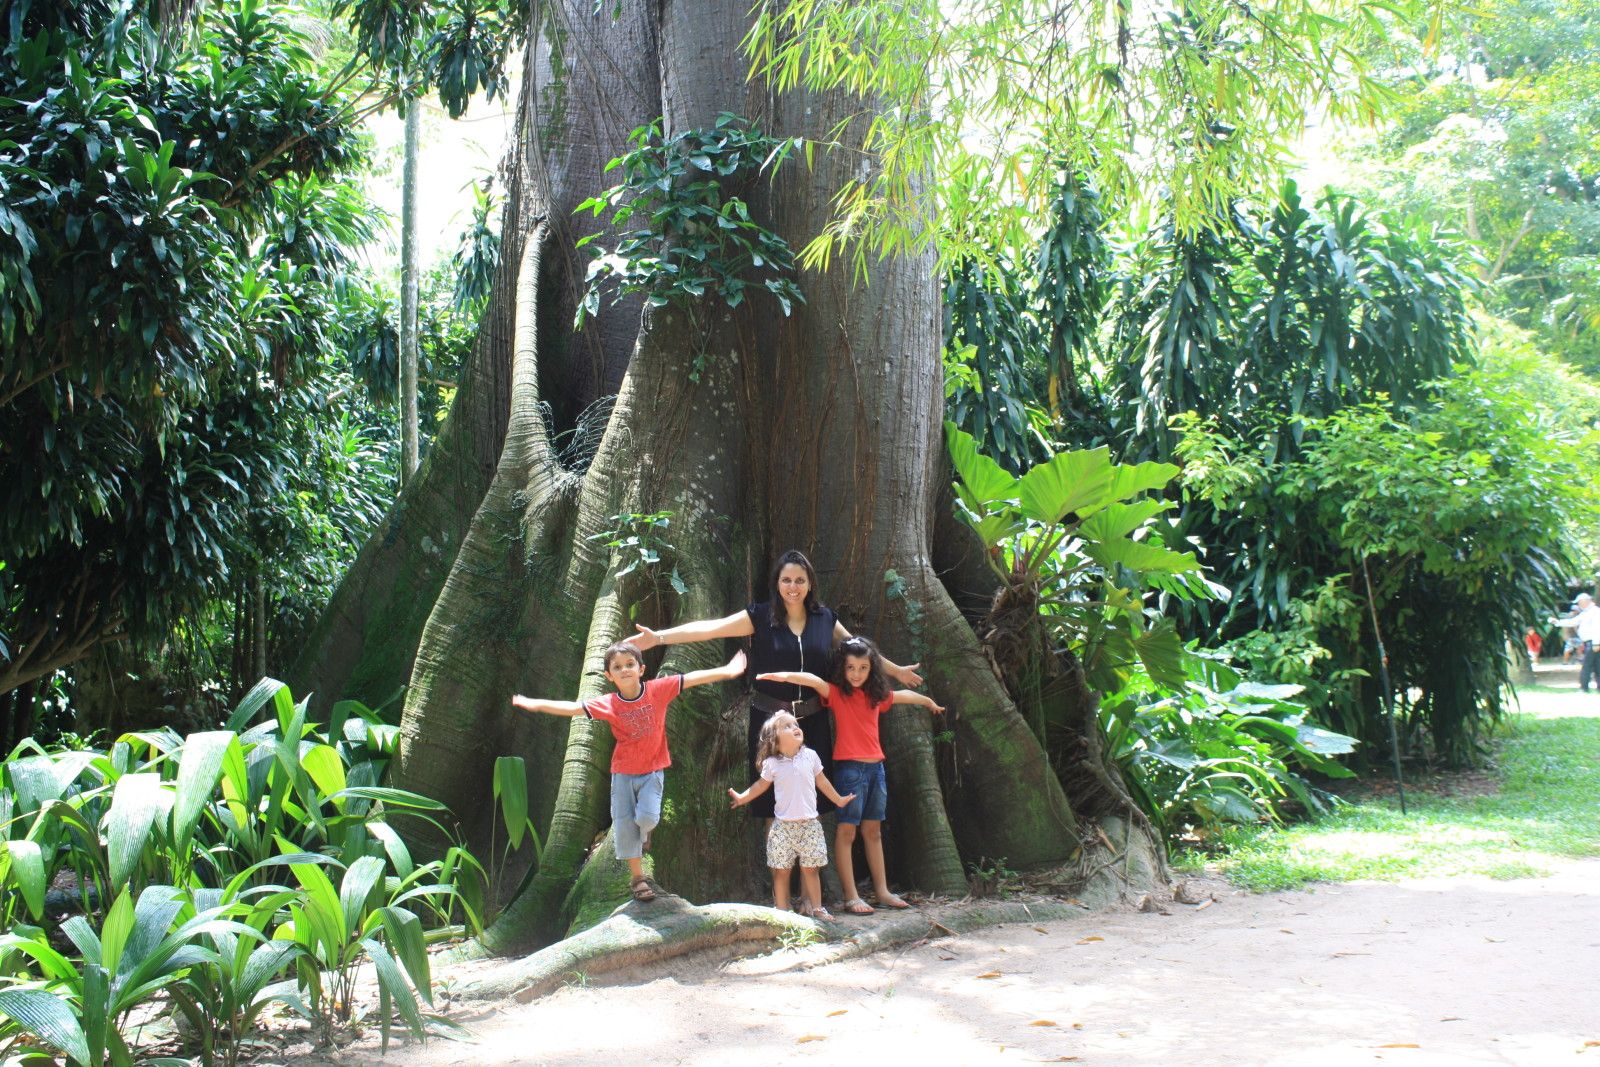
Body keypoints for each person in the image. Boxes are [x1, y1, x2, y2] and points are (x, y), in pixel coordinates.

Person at [629, 549, 922, 820]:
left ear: (810, 584)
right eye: (786, 580)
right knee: (772, 804)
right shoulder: (759, 616)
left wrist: (898, 672)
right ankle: (778, 875)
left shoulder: (824, 619)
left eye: (799, 580)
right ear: (777, 583)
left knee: (813, 802)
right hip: (769, 722)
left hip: (812, 721)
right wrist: (659, 637)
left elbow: (861, 652)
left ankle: (810, 872)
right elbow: (710, 628)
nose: (793, 587)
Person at [511, 641, 746, 902]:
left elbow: (689, 678)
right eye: (618, 667)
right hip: (622, 773)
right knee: (624, 826)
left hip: (653, 771)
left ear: (641, 668)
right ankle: (638, 879)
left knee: (647, 819)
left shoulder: (657, 690)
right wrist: (533, 703)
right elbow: (573, 708)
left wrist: (727, 670)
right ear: (608, 676)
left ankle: (645, 834)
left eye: (630, 664)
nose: (625, 670)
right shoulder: (610, 703)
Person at [756, 636, 945, 914]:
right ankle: (851, 895)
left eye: (863, 668)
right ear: (842, 669)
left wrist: (928, 701)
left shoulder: (875, 697)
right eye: (851, 668)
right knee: (847, 832)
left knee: (873, 831)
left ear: (872, 670)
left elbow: (902, 696)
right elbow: (811, 680)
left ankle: (882, 891)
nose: (856, 674)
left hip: (876, 770)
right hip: (849, 771)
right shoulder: (837, 694)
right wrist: (779, 676)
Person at [728, 711, 856, 920]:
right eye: (786, 726)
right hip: (782, 827)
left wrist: (838, 800)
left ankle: (817, 907)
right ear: (774, 740)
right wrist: (742, 797)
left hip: (810, 825)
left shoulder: (811, 756)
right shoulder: (772, 763)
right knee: (781, 870)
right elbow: (761, 785)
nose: (795, 727)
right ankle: (782, 910)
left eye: (795, 724)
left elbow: (822, 782)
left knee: (810, 869)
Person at [1549, 593, 1600, 692]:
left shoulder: (1596, 612)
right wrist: (1558, 622)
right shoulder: (1586, 613)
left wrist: (1596, 643)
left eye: (1580, 603)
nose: (1579, 605)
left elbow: (1598, 628)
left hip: (1593, 643)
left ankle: (1584, 688)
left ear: (1585, 602)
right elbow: (1574, 621)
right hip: (1590, 643)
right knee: (1597, 666)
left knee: (1587, 665)